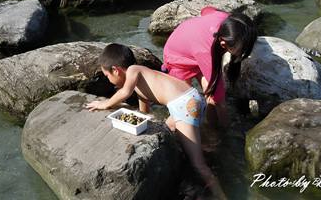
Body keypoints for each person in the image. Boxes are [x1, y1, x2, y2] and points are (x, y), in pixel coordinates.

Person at [85, 44, 227, 200]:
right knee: (168, 128)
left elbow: (125, 92)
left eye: (107, 75)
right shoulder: (141, 79)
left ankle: (221, 195)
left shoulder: (133, 70)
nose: (108, 80)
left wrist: (105, 104)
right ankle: (209, 154)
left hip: (183, 105)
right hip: (191, 98)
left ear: (115, 70)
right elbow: (144, 112)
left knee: (198, 164)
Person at [162, 7, 257, 126]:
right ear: (223, 43)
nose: (245, 52)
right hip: (177, 59)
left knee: (211, 96)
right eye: (243, 49)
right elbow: (220, 100)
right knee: (184, 105)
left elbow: (207, 10)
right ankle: (177, 129)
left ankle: (210, 125)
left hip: (192, 45)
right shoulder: (207, 51)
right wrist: (228, 129)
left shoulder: (228, 21)